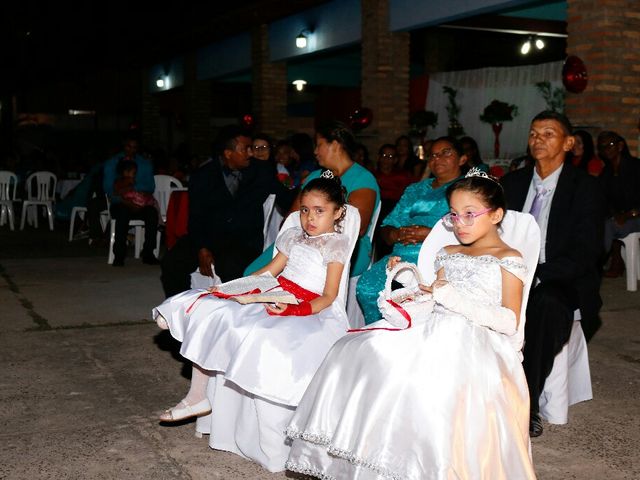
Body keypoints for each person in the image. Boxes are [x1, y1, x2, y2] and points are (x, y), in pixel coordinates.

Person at [285, 171, 536, 479]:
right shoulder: (449, 253)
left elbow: (509, 320)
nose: (460, 224)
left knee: (422, 381)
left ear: (496, 214)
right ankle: (353, 455)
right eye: (454, 216)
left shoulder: (508, 257)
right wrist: (406, 277)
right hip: (435, 324)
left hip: (475, 338)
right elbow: (433, 295)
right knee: (356, 349)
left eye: (470, 215)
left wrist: (454, 300)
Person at [154, 174, 354, 471]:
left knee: (259, 333)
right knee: (219, 313)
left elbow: (329, 295)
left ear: (338, 212)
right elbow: (269, 272)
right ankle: (197, 394)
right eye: (304, 210)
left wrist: (294, 311)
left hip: (309, 308)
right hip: (279, 292)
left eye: (319, 211)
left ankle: (210, 399)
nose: (310, 218)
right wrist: (233, 287)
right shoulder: (293, 236)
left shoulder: (335, 244)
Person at [501, 110, 605, 437]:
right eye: (533, 133)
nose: (538, 140)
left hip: (560, 279)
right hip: (509, 274)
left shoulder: (585, 187)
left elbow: (587, 250)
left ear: (569, 143)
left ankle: (526, 403)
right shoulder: (512, 183)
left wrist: (537, 274)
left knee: (546, 304)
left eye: (548, 134)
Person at [159, 126, 295, 297]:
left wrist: (308, 192)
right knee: (172, 262)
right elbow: (195, 217)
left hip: (243, 240)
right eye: (245, 149)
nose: (251, 153)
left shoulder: (261, 171)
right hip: (208, 237)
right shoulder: (203, 175)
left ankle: (234, 314)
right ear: (228, 153)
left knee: (230, 265)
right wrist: (202, 247)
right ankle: (181, 308)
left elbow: (287, 199)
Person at [243, 121, 380, 279]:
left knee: (296, 274)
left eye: (319, 145)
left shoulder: (362, 178)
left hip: (347, 247)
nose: (315, 151)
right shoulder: (314, 177)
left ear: (335, 144)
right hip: (301, 239)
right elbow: (291, 218)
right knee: (251, 275)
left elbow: (357, 225)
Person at [356, 136, 465, 324]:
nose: (437, 158)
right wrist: (395, 234)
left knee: (418, 301)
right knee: (366, 287)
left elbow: (471, 227)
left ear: (462, 158)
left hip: (439, 257)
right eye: (433, 155)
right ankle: (378, 336)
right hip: (399, 256)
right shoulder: (415, 189)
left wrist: (430, 234)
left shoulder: (467, 188)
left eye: (446, 153)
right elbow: (387, 225)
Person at [102, 136, 158, 266]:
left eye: (134, 147)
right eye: (128, 146)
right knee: (122, 213)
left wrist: (133, 187)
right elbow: (109, 189)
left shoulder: (144, 164)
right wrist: (124, 198)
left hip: (140, 202)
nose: (131, 150)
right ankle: (119, 255)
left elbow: (150, 186)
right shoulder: (113, 163)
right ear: (123, 146)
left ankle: (149, 253)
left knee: (151, 214)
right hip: (120, 202)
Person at [597, 131, 640, 277]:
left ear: (620, 146)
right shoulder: (606, 172)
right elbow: (603, 199)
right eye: (602, 147)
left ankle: (595, 263)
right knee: (597, 221)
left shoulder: (635, 167)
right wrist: (615, 214)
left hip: (636, 215)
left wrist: (628, 215)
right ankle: (612, 260)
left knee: (609, 226)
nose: (606, 149)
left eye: (610, 145)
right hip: (619, 217)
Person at [373, 143, 414, 258]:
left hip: (395, 211)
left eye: (390, 157)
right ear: (379, 157)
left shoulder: (403, 175)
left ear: (395, 160)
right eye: (384, 155)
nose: (387, 159)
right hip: (377, 211)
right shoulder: (372, 175)